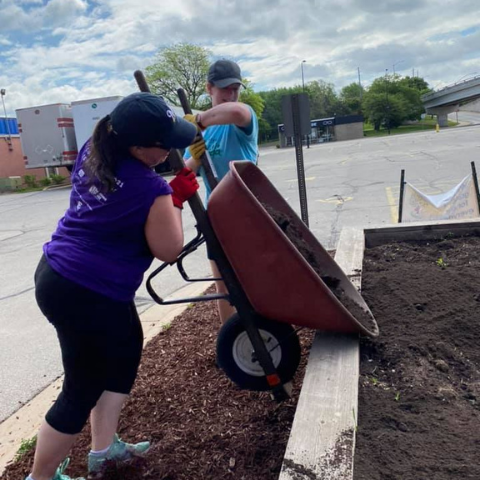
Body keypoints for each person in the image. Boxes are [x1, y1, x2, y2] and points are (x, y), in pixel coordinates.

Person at [27, 92, 203, 480]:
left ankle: (103, 453)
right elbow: (169, 248)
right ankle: (39, 478)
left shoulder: (96, 147)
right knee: (80, 390)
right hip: (83, 290)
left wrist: (172, 184)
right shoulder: (149, 188)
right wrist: (175, 198)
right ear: (139, 147)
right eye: (165, 144)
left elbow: (130, 197)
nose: (169, 150)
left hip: (64, 274)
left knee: (124, 352)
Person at [183, 59, 259, 324]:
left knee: (254, 278)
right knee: (222, 285)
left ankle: (262, 329)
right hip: (215, 217)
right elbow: (186, 172)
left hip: (250, 213)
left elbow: (238, 112)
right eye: (225, 89)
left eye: (236, 88)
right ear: (209, 88)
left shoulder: (241, 119)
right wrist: (195, 155)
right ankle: (232, 336)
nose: (231, 94)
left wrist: (200, 121)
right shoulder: (197, 133)